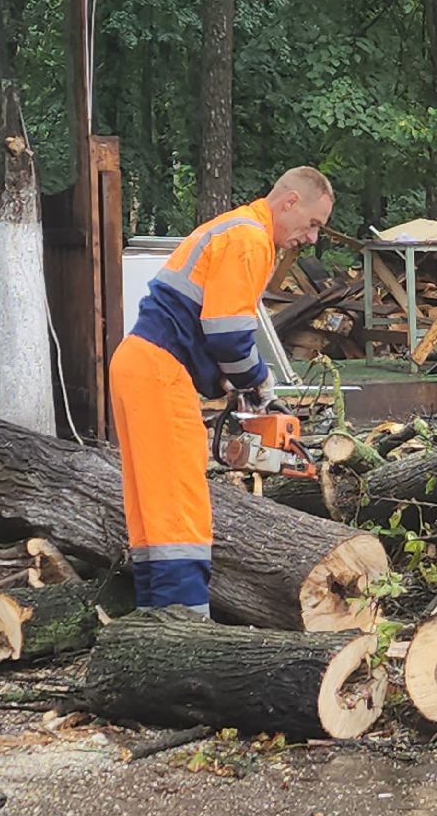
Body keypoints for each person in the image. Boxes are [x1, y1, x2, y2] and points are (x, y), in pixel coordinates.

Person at [110, 166, 333, 614]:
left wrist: (229, 379)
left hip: (139, 363)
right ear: (289, 202)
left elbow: (205, 328)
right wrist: (261, 385)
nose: (311, 239)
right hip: (159, 371)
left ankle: (154, 619)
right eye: (313, 224)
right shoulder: (249, 238)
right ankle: (186, 623)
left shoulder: (231, 230)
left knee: (152, 502)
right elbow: (228, 334)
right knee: (180, 503)